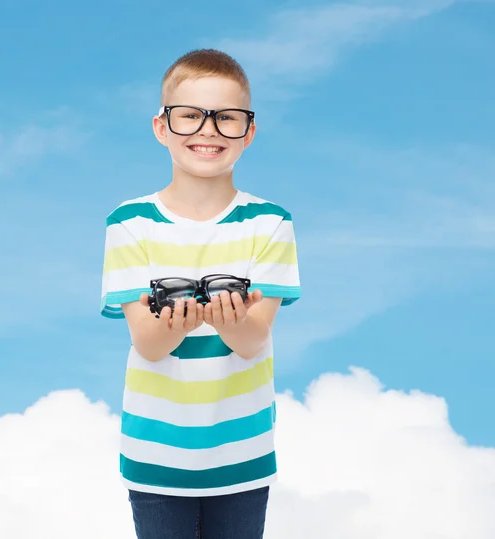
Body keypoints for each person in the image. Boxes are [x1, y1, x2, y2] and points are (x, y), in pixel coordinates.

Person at [100, 48, 302, 539]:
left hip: (243, 452)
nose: (208, 131)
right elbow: (148, 344)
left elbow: (252, 341)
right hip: (156, 454)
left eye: (226, 118)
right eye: (190, 116)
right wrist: (189, 320)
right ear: (161, 126)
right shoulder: (129, 223)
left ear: (248, 131)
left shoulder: (270, 222)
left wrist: (229, 321)